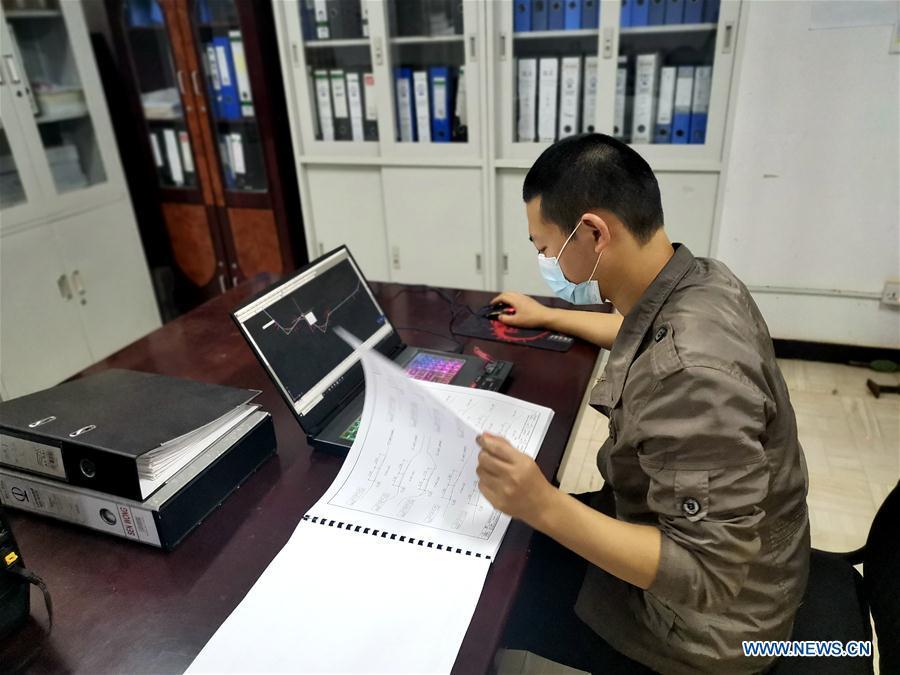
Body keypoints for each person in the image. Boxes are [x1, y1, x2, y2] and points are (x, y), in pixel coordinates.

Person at [475, 134, 810, 674]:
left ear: (592, 233)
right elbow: (642, 326)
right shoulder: (703, 280)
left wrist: (543, 505)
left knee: (490, 587)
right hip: (747, 562)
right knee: (520, 535)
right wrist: (549, 315)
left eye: (545, 248)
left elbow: (707, 573)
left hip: (717, 632)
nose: (544, 261)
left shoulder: (692, 377)